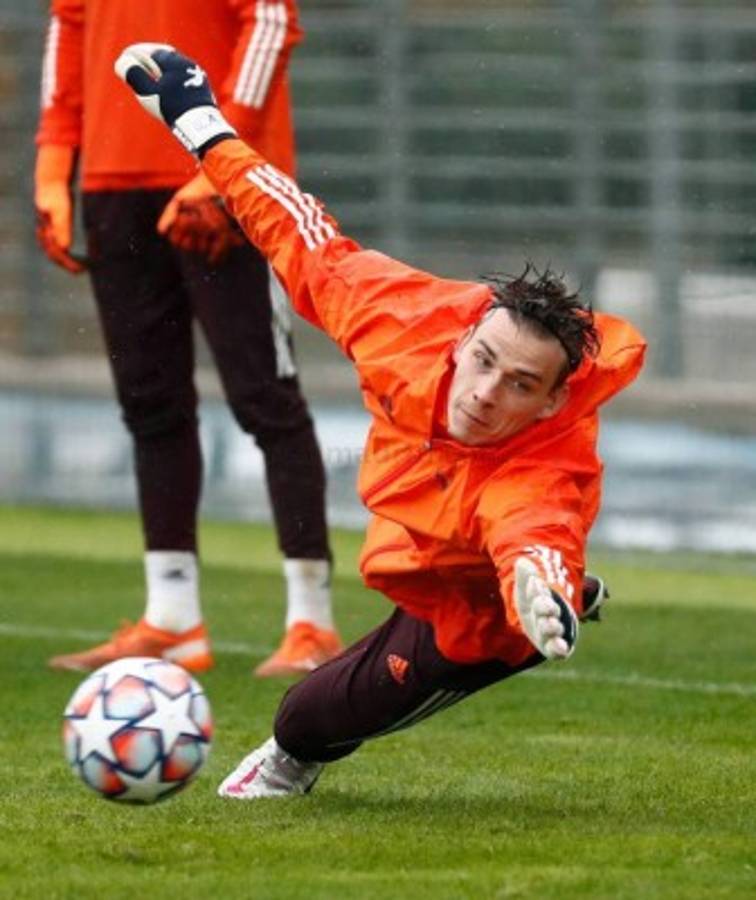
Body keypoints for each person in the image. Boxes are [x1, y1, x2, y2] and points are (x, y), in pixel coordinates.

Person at [115, 44, 647, 798]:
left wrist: (542, 583)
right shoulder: (405, 322)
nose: (487, 392)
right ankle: (562, 597)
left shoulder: (541, 468)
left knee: (303, 720)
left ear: (552, 402)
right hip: (414, 536)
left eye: (522, 384)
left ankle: (543, 618)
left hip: (482, 606)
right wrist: (201, 124)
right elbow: (299, 235)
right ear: (464, 337)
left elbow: (538, 526)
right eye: (485, 359)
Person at [34, 2, 344, 678]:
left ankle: (312, 622)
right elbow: (69, 29)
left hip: (232, 185)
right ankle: (171, 619)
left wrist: (218, 163)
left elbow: (269, 23)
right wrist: (54, 167)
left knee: (266, 398)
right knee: (150, 405)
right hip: (115, 183)